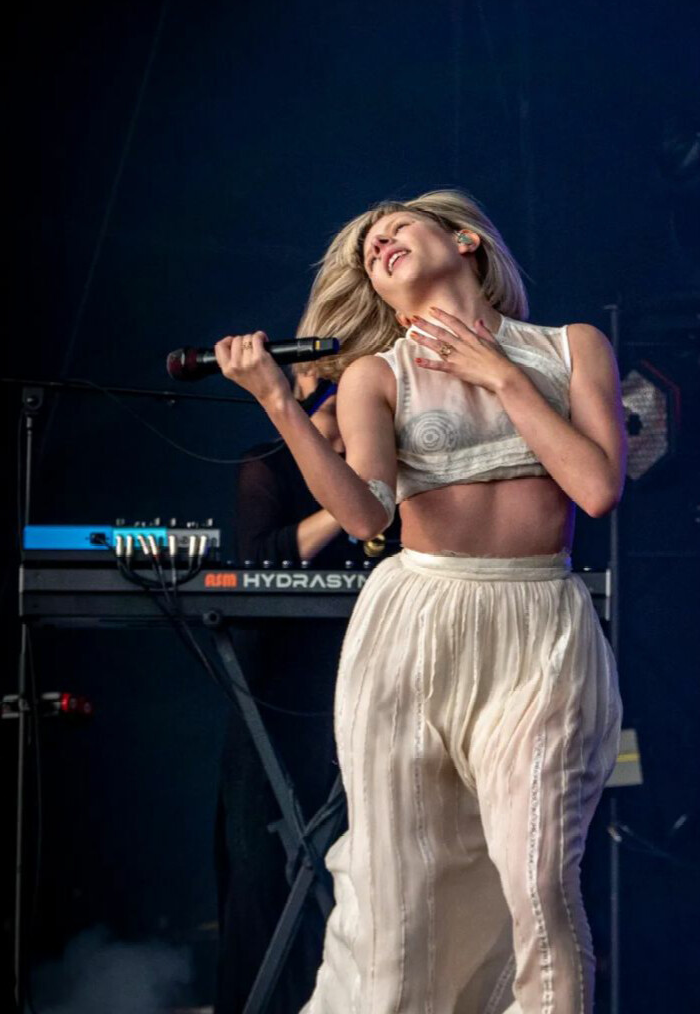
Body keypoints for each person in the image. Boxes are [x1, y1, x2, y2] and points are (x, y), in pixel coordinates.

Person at [215, 189, 625, 1014]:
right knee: (403, 905)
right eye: (368, 251)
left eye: (395, 228)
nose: (379, 246)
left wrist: (500, 375)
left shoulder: (573, 346)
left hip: (539, 625)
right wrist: (278, 404)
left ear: (465, 241)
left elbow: (596, 487)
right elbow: (367, 517)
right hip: (419, 625)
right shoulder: (377, 375)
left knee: (541, 877)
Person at [215, 373, 373, 1013]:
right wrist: (352, 501)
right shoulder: (269, 464)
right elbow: (260, 560)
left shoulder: (384, 458)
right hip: (277, 692)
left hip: (356, 685)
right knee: (262, 866)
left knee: (357, 868)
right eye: (334, 412)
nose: (345, 428)